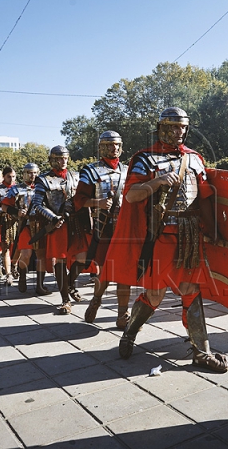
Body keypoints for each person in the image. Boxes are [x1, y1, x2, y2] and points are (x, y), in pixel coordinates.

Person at [102, 107, 228, 373]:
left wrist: (213, 230)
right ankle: (129, 333)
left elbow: (204, 196)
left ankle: (201, 351)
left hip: (191, 234)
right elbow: (131, 196)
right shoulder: (144, 159)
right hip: (161, 235)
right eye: (172, 127)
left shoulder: (195, 159)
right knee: (155, 294)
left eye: (182, 127)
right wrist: (157, 181)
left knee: (190, 289)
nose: (178, 132)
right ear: (161, 128)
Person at [77, 131, 133, 329]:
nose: (114, 148)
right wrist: (97, 202)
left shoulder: (130, 170)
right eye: (109, 145)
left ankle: (123, 314)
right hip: (105, 227)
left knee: (124, 273)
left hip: (126, 228)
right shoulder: (91, 171)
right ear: (102, 147)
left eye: (117, 145)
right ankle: (96, 299)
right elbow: (78, 200)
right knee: (107, 272)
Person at [31, 146, 80, 313]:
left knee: (83, 258)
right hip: (58, 224)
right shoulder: (43, 179)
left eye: (65, 158)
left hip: (77, 223)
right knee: (60, 260)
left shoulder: (75, 176)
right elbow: (37, 204)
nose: (63, 161)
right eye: (59, 158)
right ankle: (65, 299)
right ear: (52, 160)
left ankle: (70, 283)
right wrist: (53, 218)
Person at [1, 163, 42, 294]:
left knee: (41, 255)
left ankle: (40, 285)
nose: (33, 175)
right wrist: (17, 212)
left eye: (35, 172)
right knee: (25, 254)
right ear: (24, 174)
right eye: (30, 173)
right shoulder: (16, 189)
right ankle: (22, 277)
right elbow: (4, 206)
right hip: (25, 225)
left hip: (41, 225)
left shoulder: (43, 187)